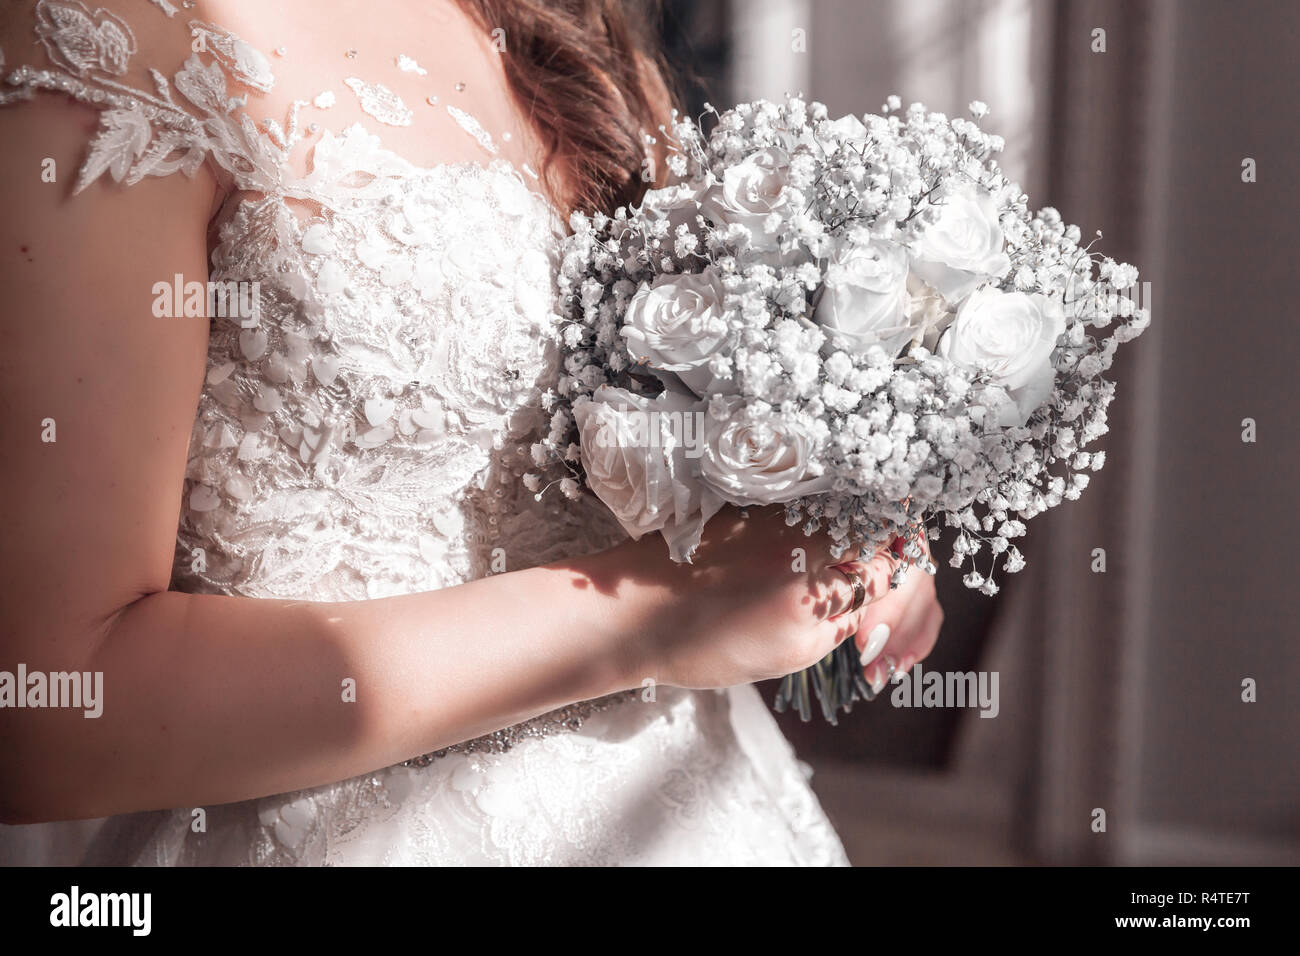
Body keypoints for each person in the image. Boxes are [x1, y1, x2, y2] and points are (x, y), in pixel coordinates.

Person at [0, 0, 941, 865]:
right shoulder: (116, 35)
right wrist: (652, 613)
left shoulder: (568, 26)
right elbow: (43, 710)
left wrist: (831, 498)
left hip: (706, 810)